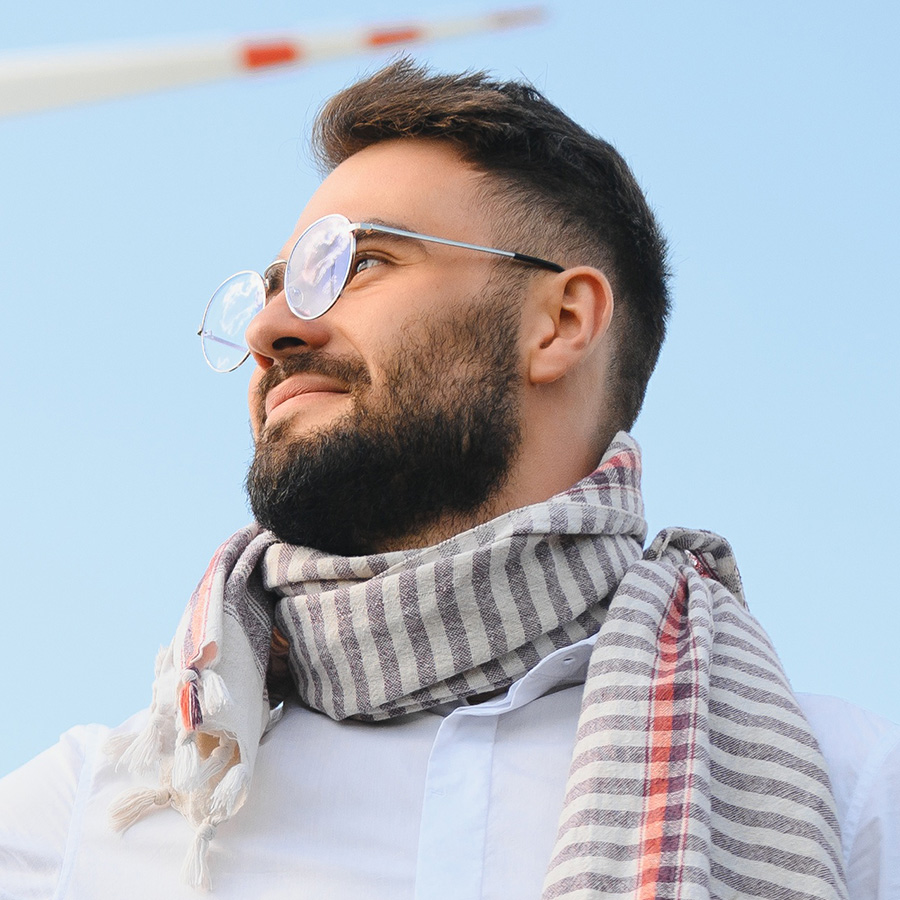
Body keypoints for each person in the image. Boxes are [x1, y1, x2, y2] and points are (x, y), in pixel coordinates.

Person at [1, 59, 897, 900]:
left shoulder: (845, 796)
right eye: (278, 284)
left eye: (358, 264)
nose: (272, 326)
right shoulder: (84, 820)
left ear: (560, 322)